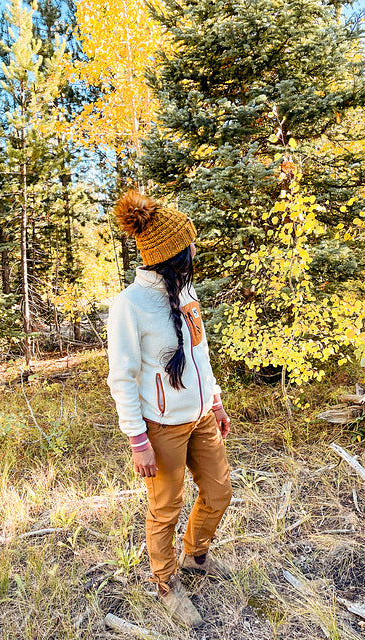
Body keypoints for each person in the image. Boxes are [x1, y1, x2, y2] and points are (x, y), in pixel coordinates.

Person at [107, 190, 233, 628]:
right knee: (166, 509)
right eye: (189, 245)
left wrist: (215, 401)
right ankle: (166, 583)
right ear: (172, 254)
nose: (195, 249)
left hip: (201, 418)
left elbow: (200, 354)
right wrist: (137, 439)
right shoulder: (129, 305)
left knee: (219, 492)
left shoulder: (186, 291)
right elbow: (122, 378)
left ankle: (195, 556)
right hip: (161, 427)